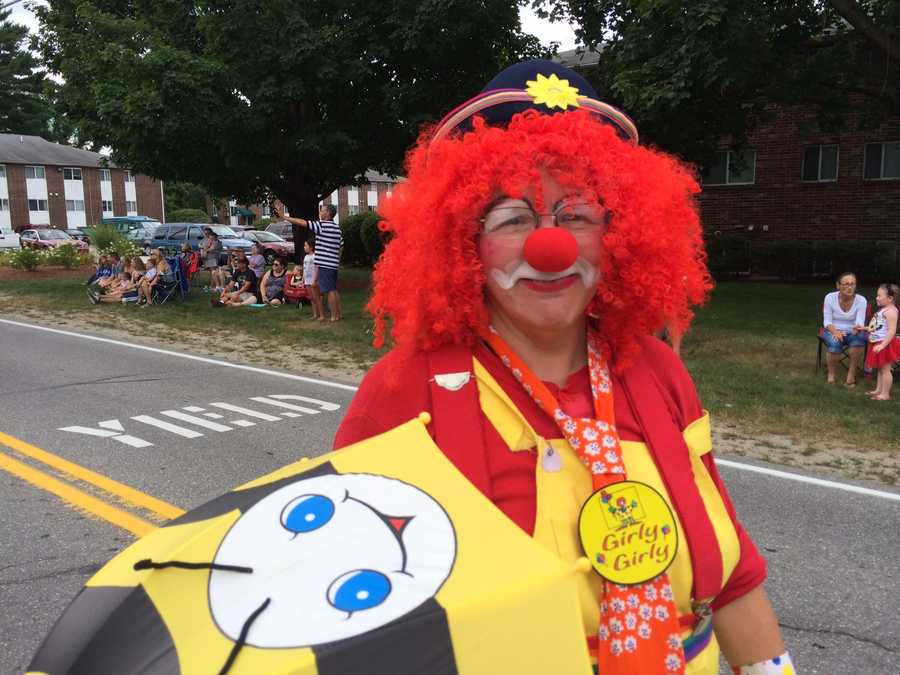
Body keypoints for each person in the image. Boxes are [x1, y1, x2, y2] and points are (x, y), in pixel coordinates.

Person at [333, 61, 788, 675]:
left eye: (577, 215)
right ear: (463, 239)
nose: (554, 247)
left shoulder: (656, 370)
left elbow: (731, 578)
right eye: (514, 219)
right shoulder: (402, 390)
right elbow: (351, 618)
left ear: (618, 234)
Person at [274, 204, 343, 321]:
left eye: (322, 211)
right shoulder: (337, 229)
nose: (320, 212)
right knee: (333, 289)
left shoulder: (322, 225)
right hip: (333, 263)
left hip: (325, 264)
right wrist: (337, 259)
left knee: (330, 290)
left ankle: (334, 317)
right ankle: (338, 314)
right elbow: (341, 246)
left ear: (328, 213)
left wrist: (284, 217)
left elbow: (302, 222)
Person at [822, 272, 868, 386]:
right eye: (846, 284)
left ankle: (851, 374)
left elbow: (859, 322)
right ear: (838, 285)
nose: (850, 287)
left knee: (859, 339)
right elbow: (827, 321)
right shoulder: (829, 297)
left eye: (852, 284)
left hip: (852, 331)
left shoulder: (861, 300)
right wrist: (835, 332)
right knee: (835, 343)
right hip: (832, 329)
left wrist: (856, 330)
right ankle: (831, 374)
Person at [864, 283, 900, 401]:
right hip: (877, 342)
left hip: (885, 344)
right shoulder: (884, 309)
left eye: (879, 296)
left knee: (885, 369)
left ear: (890, 298)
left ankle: (885, 394)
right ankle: (879, 390)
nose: (876, 298)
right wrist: (864, 328)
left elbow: (891, 331)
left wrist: (883, 345)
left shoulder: (891, 312)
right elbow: (877, 326)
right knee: (880, 368)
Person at [303, 238, 324, 320]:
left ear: (311, 247)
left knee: (317, 297)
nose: (304, 247)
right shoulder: (306, 257)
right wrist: (303, 278)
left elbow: (317, 268)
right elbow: (305, 268)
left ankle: (321, 315)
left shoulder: (315, 256)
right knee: (311, 298)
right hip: (307, 279)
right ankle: (315, 314)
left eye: (306, 246)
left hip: (314, 279)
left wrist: (315, 280)